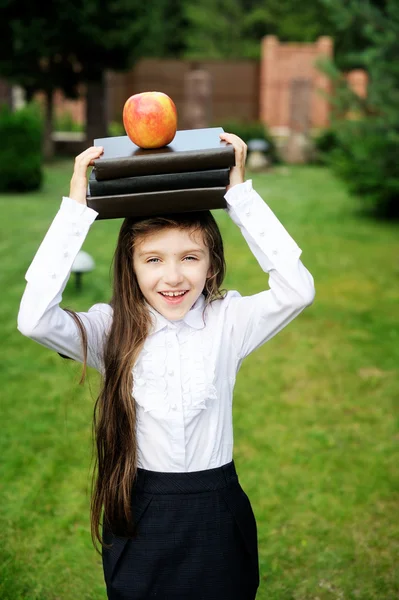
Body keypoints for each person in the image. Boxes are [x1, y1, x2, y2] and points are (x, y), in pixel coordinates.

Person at [17, 132, 315, 600]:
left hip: (217, 509)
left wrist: (240, 196)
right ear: (130, 267)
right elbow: (35, 319)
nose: (173, 277)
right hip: (141, 512)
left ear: (212, 265)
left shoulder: (228, 321)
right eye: (153, 259)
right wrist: (76, 211)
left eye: (190, 258)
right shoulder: (108, 330)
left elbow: (297, 290)